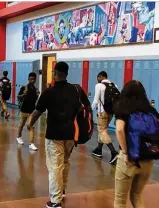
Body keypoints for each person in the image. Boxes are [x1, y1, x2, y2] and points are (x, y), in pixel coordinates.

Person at [27, 62, 89, 208]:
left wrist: (30, 124)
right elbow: (83, 108)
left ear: (55, 73)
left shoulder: (49, 92)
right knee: (65, 162)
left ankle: (55, 201)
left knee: (55, 166)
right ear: (66, 73)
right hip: (70, 134)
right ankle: (61, 191)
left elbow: (37, 111)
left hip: (54, 135)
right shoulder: (76, 90)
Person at [113, 80, 159, 208]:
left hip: (129, 160)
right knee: (136, 196)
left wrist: (125, 152)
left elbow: (119, 129)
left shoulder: (122, 107)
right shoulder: (149, 109)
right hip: (147, 160)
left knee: (120, 201)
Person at [91, 71, 119, 164]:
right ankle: (98, 149)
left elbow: (95, 100)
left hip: (102, 112)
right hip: (111, 112)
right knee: (103, 130)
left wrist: (90, 110)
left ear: (101, 76)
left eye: (98, 77)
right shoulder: (114, 85)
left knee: (102, 131)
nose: (97, 79)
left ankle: (113, 152)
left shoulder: (99, 86)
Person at [16, 72, 39, 151]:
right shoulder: (24, 88)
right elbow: (18, 97)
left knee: (31, 126)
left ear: (35, 80)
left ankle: (31, 143)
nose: (32, 80)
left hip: (31, 111)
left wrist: (37, 95)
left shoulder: (35, 90)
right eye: (30, 79)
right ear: (28, 79)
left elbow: (35, 100)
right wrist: (23, 95)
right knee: (21, 124)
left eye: (33, 79)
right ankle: (19, 137)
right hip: (24, 111)